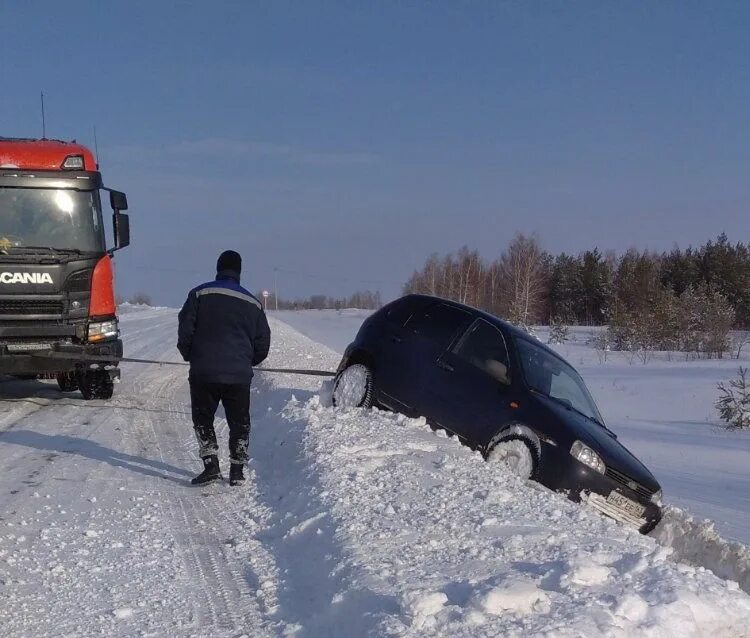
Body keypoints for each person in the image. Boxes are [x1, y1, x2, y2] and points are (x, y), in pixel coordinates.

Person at [177, 250, 271, 486]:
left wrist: (192, 355)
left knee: (203, 418)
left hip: (204, 372)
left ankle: (211, 466)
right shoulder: (253, 303)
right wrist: (245, 361)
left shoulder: (199, 293)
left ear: (218, 268)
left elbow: (185, 329)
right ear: (239, 271)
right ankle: (237, 471)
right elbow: (263, 343)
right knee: (239, 422)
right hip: (238, 375)